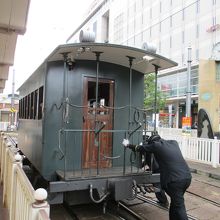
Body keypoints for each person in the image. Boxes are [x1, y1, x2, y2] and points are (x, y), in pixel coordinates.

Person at [122, 135, 192, 220]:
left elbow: (140, 148)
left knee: (179, 206)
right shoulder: (174, 142)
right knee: (175, 202)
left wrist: (128, 145)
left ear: (153, 142)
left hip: (175, 181)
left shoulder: (156, 145)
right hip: (187, 177)